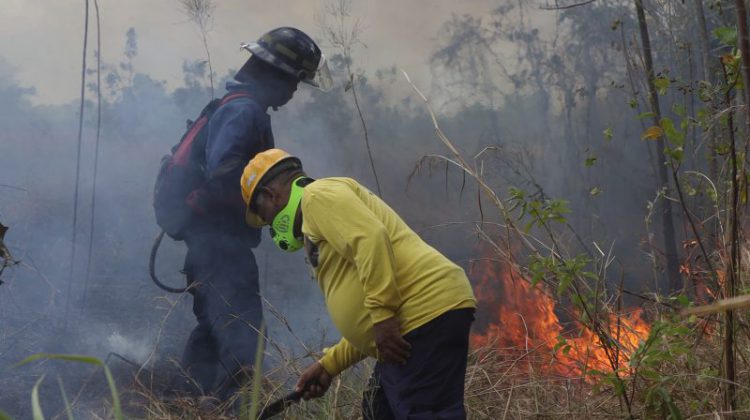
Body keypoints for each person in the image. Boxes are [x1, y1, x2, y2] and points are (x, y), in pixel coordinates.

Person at [239, 149, 477, 419]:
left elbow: (371, 239)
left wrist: (383, 316)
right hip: (415, 320)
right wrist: (330, 364)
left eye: (263, 214)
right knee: (378, 410)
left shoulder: (316, 196)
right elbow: (365, 309)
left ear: (271, 195)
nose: (268, 224)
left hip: (424, 315)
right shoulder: (322, 213)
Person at [176, 28, 330, 401]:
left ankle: (183, 399)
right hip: (219, 244)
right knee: (244, 334)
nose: (293, 91)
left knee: (216, 323)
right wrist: (267, 204)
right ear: (272, 73)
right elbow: (225, 170)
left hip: (214, 241)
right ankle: (231, 407)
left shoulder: (241, 107)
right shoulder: (243, 111)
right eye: (293, 81)